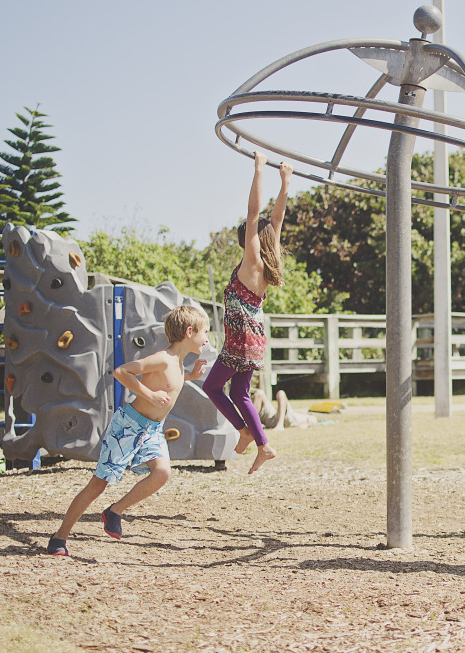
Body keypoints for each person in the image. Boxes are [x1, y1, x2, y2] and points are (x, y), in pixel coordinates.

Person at [46, 306, 210, 556]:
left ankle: (114, 511)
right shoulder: (162, 358)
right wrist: (149, 394)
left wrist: (190, 376)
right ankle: (59, 537)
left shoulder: (177, 362)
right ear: (189, 332)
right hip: (129, 427)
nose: (207, 338)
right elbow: (121, 372)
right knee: (98, 485)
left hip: (152, 430)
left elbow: (169, 381)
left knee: (162, 473)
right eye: (205, 332)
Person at [203, 151, 293, 474]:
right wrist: (284, 182)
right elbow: (277, 219)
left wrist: (259, 169)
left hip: (240, 335)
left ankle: (252, 436)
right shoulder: (270, 259)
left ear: (249, 240)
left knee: (212, 387)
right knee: (239, 392)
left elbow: (255, 212)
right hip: (254, 336)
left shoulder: (252, 256)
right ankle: (257, 441)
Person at [250, 388, 318, 430]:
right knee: (259, 393)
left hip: (287, 420)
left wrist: (305, 425)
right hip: (273, 418)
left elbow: (313, 420)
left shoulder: (308, 416)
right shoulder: (302, 411)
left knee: (281, 393)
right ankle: (251, 424)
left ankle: (280, 425)